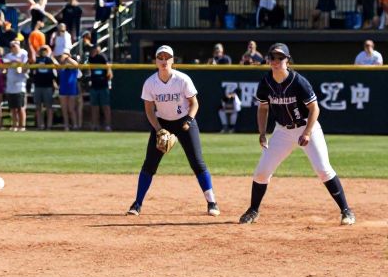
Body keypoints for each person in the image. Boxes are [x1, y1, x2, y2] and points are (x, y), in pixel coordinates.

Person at [239, 43, 354, 226]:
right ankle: (253, 210)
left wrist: (307, 132)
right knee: (261, 173)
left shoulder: (298, 81)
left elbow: (314, 108)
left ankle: (346, 210)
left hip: (307, 127)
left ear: (287, 60)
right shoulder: (265, 82)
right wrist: (262, 133)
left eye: (280, 58)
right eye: (272, 57)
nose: (276, 61)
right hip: (282, 131)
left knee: (323, 169)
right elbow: (262, 108)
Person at [128, 44, 219, 217]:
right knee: (149, 164)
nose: (163, 61)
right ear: (155, 61)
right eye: (160, 58)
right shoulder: (150, 83)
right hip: (162, 123)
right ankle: (137, 203)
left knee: (197, 163)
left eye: (167, 58)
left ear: (172, 60)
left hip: (184, 121)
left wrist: (189, 120)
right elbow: (149, 110)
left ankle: (212, 202)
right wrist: (158, 129)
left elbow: (194, 103)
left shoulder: (182, 79)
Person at [2, 38, 29, 131]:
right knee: (13, 108)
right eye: (12, 46)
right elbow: (5, 62)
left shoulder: (23, 53)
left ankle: (22, 126)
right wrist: (14, 62)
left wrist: (17, 62)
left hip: (20, 85)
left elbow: (25, 63)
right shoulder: (9, 55)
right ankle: (14, 125)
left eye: (15, 45)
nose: (14, 47)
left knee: (20, 107)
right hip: (10, 85)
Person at [86, 44, 113, 131]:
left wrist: (108, 80)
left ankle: (108, 125)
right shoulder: (90, 58)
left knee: (105, 106)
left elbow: (109, 71)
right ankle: (95, 125)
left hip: (103, 86)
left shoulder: (102, 57)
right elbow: (89, 70)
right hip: (94, 86)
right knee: (94, 107)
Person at [31, 46, 57, 130]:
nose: (43, 52)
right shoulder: (36, 60)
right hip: (38, 85)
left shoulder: (49, 60)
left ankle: (49, 125)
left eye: (45, 50)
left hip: (48, 86)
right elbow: (32, 72)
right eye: (42, 50)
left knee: (49, 107)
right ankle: (40, 125)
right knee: (38, 107)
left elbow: (54, 73)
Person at [56, 53, 81, 131]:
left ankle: (75, 125)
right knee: (64, 109)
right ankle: (66, 125)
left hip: (71, 90)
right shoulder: (61, 67)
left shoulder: (73, 68)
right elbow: (55, 65)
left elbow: (76, 64)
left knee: (71, 109)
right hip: (63, 90)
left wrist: (67, 58)